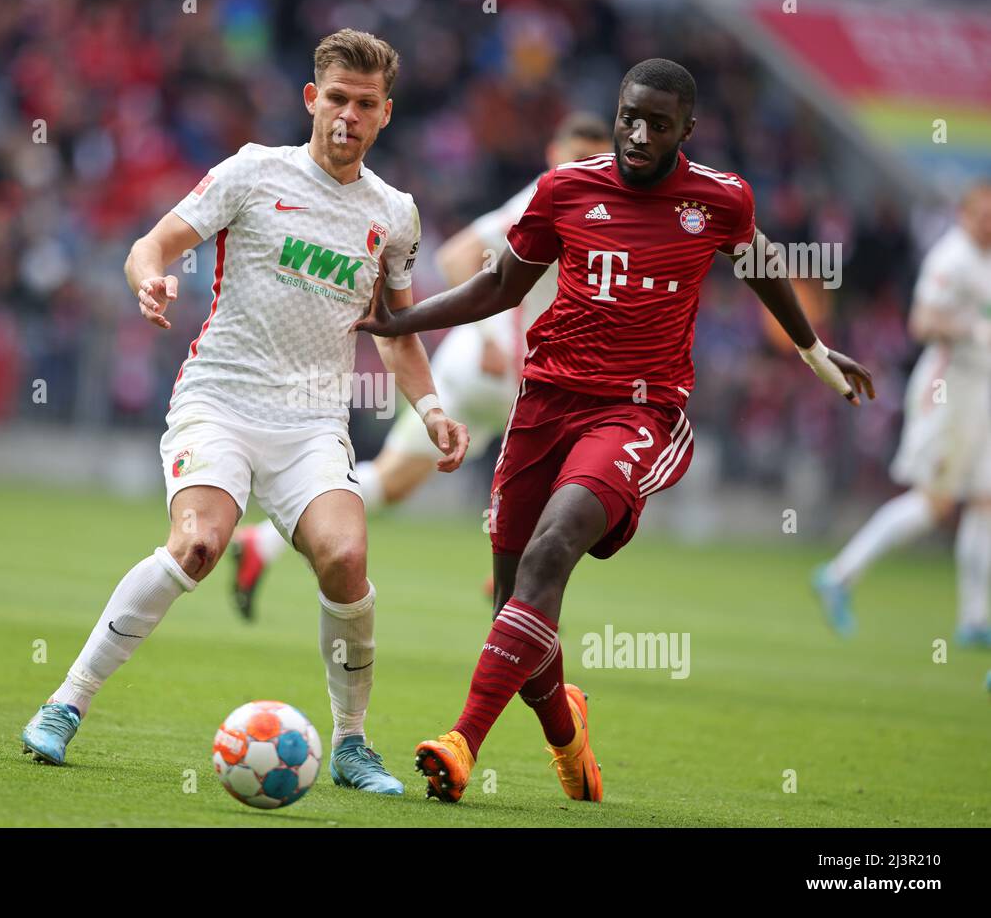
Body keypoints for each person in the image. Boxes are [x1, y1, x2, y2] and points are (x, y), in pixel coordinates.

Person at [353, 58, 875, 804]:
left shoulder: (719, 200)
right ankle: (567, 734)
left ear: (686, 129)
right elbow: (501, 283)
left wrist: (813, 351)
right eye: (629, 115)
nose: (637, 133)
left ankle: (461, 740)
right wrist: (403, 319)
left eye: (657, 123)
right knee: (516, 600)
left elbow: (761, 264)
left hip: (637, 412)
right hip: (543, 405)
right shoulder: (565, 189)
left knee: (552, 547)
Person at [19, 30, 469, 797]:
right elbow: (149, 244)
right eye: (336, 99)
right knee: (196, 545)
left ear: (385, 114)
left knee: (346, 558)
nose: (347, 116)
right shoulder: (254, 171)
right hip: (219, 401)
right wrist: (151, 278)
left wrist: (431, 409)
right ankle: (66, 702)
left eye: (365, 105)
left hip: (311, 424)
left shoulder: (394, 214)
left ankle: (353, 744)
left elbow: (396, 332)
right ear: (311, 98)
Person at [228, 115, 613, 619]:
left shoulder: (589, 206)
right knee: (589, 472)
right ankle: (524, 575)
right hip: (496, 373)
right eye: (578, 158)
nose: (588, 168)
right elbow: (457, 257)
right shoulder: (549, 197)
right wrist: (491, 336)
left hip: (492, 374)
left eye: (596, 159)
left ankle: (262, 543)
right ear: (552, 155)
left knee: (392, 482)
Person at [815, 182, 991, 645]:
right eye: (983, 215)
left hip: (982, 394)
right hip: (948, 391)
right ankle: (840, 573)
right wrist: (973, 329)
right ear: (966, 215)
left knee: (984, 500)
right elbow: (923, 322)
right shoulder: (950, 260)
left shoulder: (985, 260)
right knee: (935, 501)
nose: (988, 223)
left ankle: (974, 619)